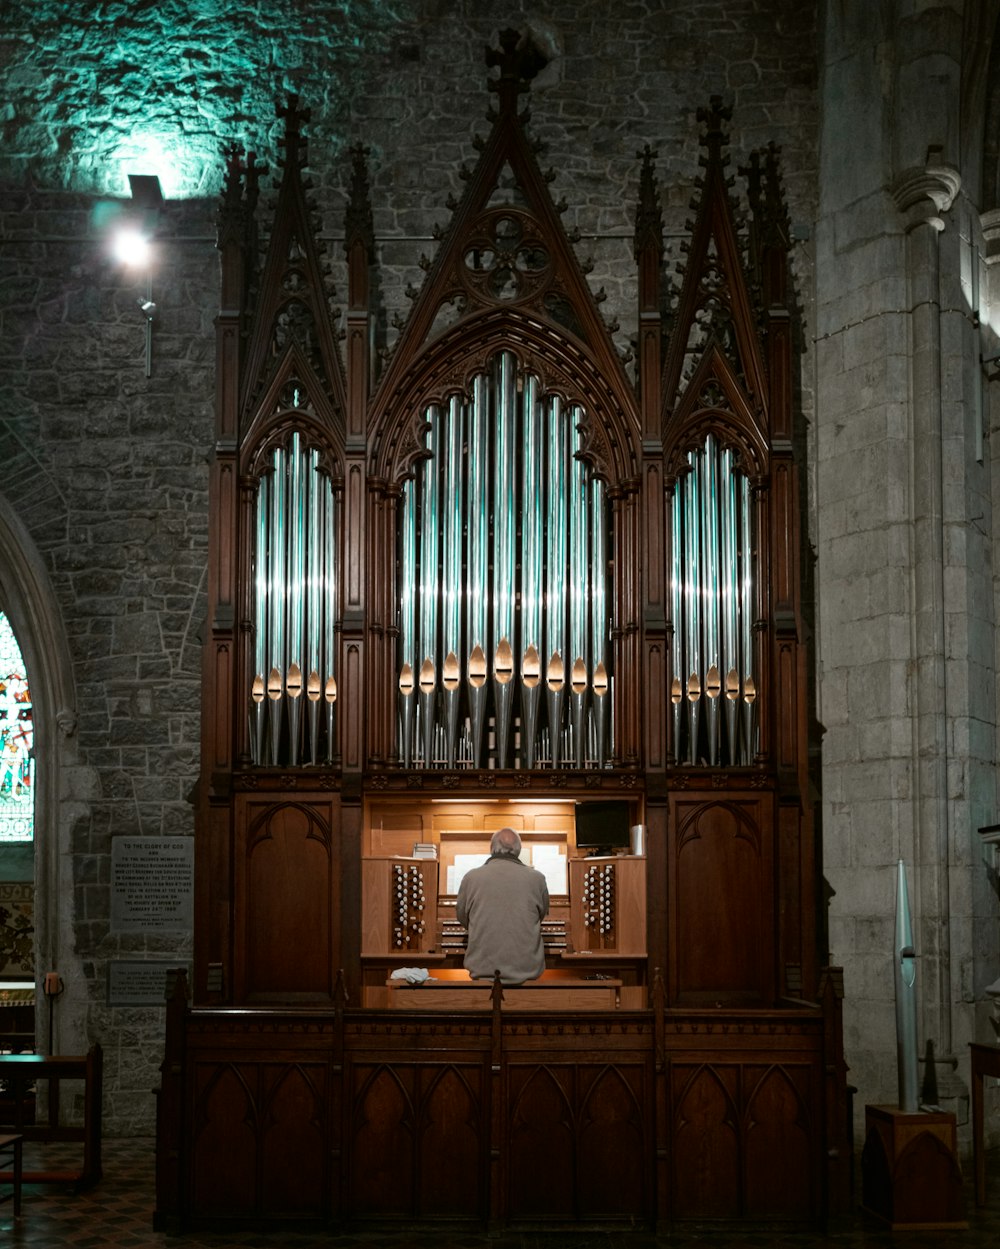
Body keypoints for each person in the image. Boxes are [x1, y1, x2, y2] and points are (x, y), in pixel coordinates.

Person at [456, 827, 549, 984]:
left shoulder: (470, 878)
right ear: (519, 851)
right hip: (527, 973)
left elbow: (463, 919)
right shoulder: (537, 879)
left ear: (492, 849)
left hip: (482, 972)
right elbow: (540, 917)